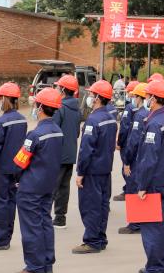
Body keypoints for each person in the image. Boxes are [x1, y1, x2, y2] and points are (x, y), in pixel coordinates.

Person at [11, 88, 64, 273]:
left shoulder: (34, 135)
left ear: (40, 107)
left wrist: (17, 178)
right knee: (45, 223)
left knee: (31, 227)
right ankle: (47, 264)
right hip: (48, 185)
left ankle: (34, 267)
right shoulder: (58, 131)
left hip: (30, 187)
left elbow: (19, 162)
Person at [129, 79, 164, 273]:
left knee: (152, 227)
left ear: (155, 98)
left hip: (153, 182)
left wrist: (142, 185)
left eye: (148, 96)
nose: (146, 99)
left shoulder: (155, 123)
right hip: (163, 179)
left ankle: (154, 268)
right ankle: (161, 264)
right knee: (161, 224)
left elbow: (149, 158)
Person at [71, 80, 118, 254]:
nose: (89, 97)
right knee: (102, 205)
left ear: (98, 98)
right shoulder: (111, 118)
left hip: (92, 171)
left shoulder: (93, 120)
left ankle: (92, 241)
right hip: (105, 169)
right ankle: (100, 238)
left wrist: (80, 172)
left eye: (91, 94)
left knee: (90, 206)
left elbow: (86, 149)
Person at [0, 82, 28, 251]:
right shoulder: (22, 119)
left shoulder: (0, 121)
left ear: (4, 99)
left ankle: (1, 240)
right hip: (16, 169)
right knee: (10, 203)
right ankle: (6, 236)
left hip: (0, 170)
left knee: (0, 204)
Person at [117, 83, 149, 234]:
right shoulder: (150, 113)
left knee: (133, 188)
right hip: (145, 157)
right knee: (141, 187)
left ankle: (135, 224)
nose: (133, 99)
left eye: (135, 96)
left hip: (136, 158)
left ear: (140, 98)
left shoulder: (139, 115)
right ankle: (142, 220)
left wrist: (127, 160)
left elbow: (133, 140)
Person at [51, 74, 81, 229]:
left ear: (63, 90)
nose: (56, 89)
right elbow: (77, 132)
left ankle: (44, 216)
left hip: (57, 154)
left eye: (58, 87)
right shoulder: (77, 109)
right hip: (70, 153)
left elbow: (53, 131)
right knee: (64, 187)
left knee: (51, 186)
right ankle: (60, 218)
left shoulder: (59, 108)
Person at [114, 80, 140, 202]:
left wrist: (119, 142)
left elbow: (124, 127)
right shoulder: (144, 110)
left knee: (127, 169)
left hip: (128, 143)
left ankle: (129, 193)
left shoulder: (129, 108)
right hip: (139, 144)